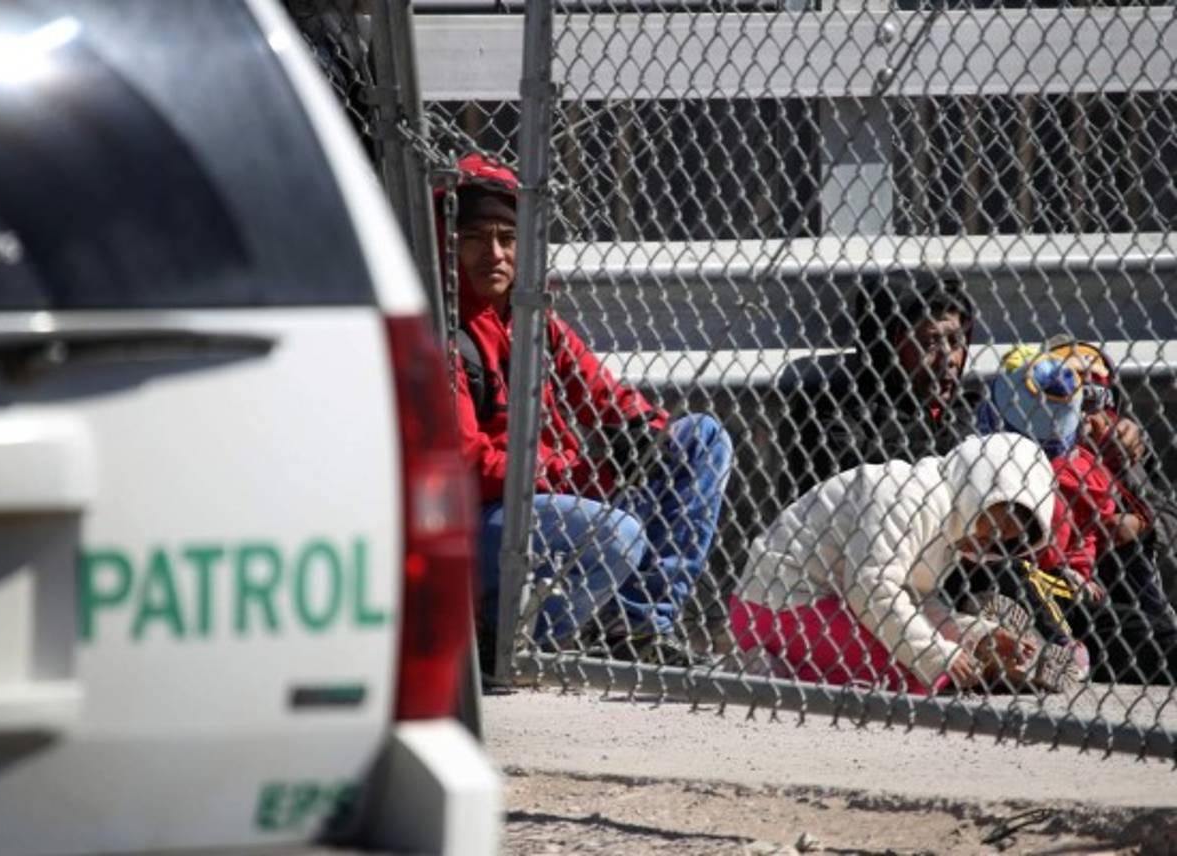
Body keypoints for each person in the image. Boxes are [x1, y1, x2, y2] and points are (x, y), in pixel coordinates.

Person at [439, 153, 733, 666]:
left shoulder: (535, 320)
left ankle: (639, 627)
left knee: (701, 437)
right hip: (482, 518)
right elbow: (467, 465)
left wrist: (645, 430)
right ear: (448, 245)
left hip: (555, 494)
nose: (495, 253)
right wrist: (578, 474)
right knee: (618, 533)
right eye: (475, 238)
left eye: (507, 238)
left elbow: (607, 396)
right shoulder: (445, 332)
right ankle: (510, 646)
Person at [731, 434, 1058, 694]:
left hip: (824, 609)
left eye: (1003, 541)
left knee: (928, 662)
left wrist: (978, 633)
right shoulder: (908, 493)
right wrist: (938, 655)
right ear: (981, 488)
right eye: (994, 526)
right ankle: (773, 671)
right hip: (778, 605)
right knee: (917, 674)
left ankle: (980, 661)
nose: (988, 544)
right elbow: (871, 588)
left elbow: (916, 599)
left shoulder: (952, 522)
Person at [979, 343, 1177, 684]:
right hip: (1040, 581)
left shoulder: (1111, 459)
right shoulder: (1006, 453)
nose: (1087, 416)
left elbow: (1166, 518)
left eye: (1095, 399)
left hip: (1093, 589)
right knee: (1011, 570)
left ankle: (1060, 648)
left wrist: (1135, 510)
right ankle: (1053, 646)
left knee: (1145, 629)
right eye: (1080, 400)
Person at [776, 271, 976, 509]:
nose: (948, 359)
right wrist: (950, 452)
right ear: (889, 345)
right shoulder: (830, 411)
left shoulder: (968, 410)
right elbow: (856, 474)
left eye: (955, 341)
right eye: (930, 343)